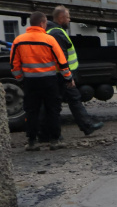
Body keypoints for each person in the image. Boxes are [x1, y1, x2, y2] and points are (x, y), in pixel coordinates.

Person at [10, 11, 71, 151]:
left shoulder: (19, 40)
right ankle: (55, 141)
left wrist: (20, 79)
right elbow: (61, 61)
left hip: (30, 82)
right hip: (49, 81)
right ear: (43, 23)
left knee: (32, 111)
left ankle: (32, 142)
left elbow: (14, 64)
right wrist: (68, 77)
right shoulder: (49, 40)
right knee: (53, 110)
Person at [46, 5, 104, 136]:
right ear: (61, 18)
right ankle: (48, 133)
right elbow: (62, 58)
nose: (69, 20)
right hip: (61, 75)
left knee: (72, 99)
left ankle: (87, 126)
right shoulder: (57, 33)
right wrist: (67, 76)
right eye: (68, 17)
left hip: (59, 74)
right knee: (59, 103)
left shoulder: (54, 31)